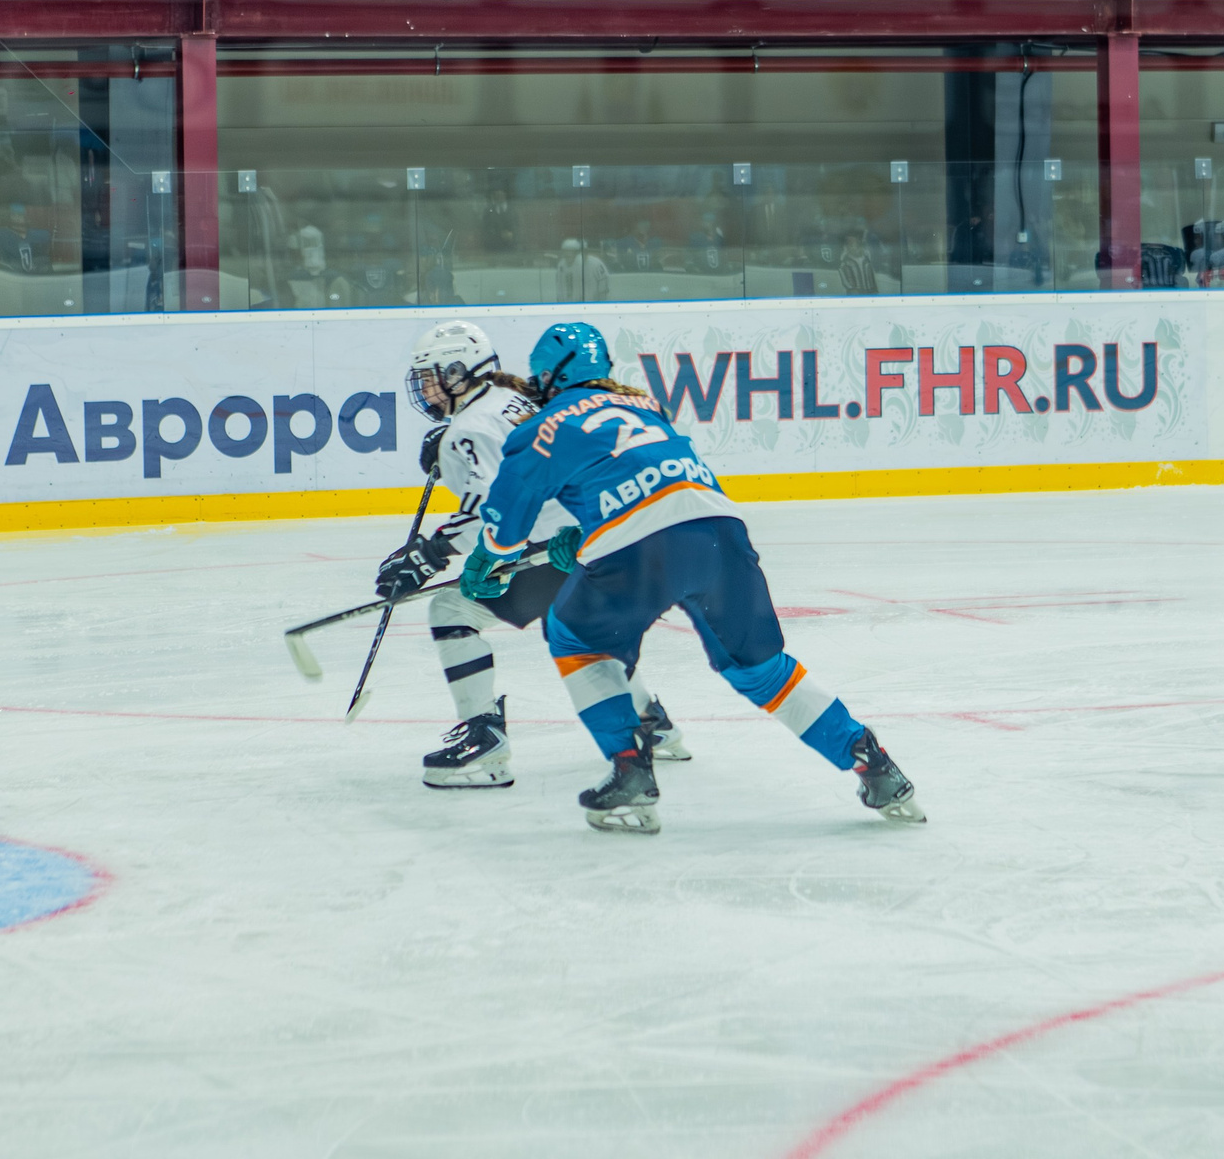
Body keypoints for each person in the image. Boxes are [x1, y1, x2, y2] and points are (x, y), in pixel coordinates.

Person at [464, 323, 922, 834]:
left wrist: (485, 561)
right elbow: (648, 481)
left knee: (575, 640)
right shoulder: (643, 405)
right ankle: (871, 761)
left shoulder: (541, 426)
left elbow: (507, 524)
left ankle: (630, 771)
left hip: (640, 548)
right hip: (721, 534)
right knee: (762, 669)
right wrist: (588, 532)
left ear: (551, 377)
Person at [373, 320, 686, 789]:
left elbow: (495, 513)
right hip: (600, 538)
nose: (424, 388)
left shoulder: (468, 427)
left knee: (452, 610)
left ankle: (483, 742)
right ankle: (651, 725)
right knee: (578, 632)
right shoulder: (510, 395)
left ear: (457, 372)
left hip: (553, 548)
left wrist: (429, 552)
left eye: (430, 376)